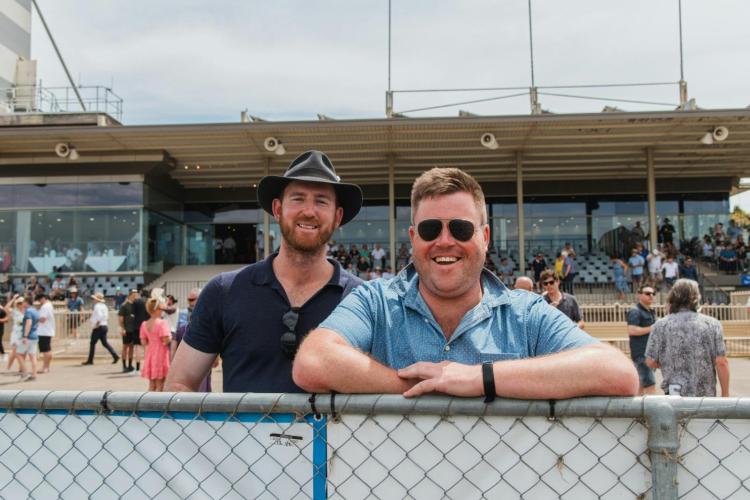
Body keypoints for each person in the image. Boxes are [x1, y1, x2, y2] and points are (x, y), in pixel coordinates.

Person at [293, 167, 637, 399]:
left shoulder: (524, 311)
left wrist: (479, 379)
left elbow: (617, 372)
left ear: (485, 237)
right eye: (430, 230)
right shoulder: (375, 300)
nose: (445, 241)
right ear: (413, 239)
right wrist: (424, 386)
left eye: (460, 228)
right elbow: (313, 361)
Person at [166, 150, 364, 393]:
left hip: (330, 432)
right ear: (278, 209)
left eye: (321, 201)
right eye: (298, 199)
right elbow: (179, 383)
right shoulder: (224, 291)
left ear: (337, 216)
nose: (309, 211)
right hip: (243, 432)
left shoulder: (361, 299)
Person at [646, 279, 730, 397]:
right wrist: (725, 394)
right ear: (697, 298)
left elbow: (650, 362)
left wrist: (669, 363)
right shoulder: (712, 324)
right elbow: (721, 362)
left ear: (672, 297)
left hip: (675, 394)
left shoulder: (660, 325)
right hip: (705, 395)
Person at [627, 285, 657, 395]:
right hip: (641, 353)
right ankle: (652, 409)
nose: (651, 296)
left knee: (641, 383)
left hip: (649, 353)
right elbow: (632, 330)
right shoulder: (635, 311)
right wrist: (653, 328)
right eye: (648, 293)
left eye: (653, 294)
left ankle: (638, 410)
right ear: (639, 295)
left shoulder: (650, 311)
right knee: (650, 384)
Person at [140, 297, 172, 392]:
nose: (162, 311)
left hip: (150, 354)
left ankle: (149, 404)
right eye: (161, 309)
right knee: (160, 384)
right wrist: (170, 337)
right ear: (156, 310)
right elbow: (166, 340)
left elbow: (143, 342)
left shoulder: (144, 324)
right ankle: (157, 405)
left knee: (152, 384)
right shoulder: (162, 323)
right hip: (160, 354)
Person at [82, 293, 119, 365]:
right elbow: (105, 316)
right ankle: (115, 355)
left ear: (96, 299)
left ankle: (90, 360)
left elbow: (99, 316)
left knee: (92, 343)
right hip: (104, 325)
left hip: (99, 326)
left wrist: (97, 323)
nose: (93, 300)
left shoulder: (97, 306)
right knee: (105, 343)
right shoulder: (104, 306)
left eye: (94, 299)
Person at [16, 296, 39, 381]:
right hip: (34, 336)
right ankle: (34, 374)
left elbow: (28, 323)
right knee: (33, 356)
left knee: (18, 354)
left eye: (23, 302)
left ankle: (25, 373)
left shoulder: (28, 311)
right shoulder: (35, 310)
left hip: (28, 336)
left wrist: (25, 336)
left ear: (26, 302)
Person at [118, 289, 139, 373]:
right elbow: (120, 319)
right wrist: (122, 328)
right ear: (130, 295)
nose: (135, 296)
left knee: (131, 348)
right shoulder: (124, 306)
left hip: (133, 330)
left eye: (136, 295)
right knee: (125, 348)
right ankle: (124, 366)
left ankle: (130, 365)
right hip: (126, 330)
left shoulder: (135, 305)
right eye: (134, 295)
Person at [35, 293, 55, 373]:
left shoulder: (45, 307)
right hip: (47, 330)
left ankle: (45, 367)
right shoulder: (49, 305)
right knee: (48, 350)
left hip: (44, 331)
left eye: (40, 299)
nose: (39, 301)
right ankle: (46, 367)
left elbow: (42, 319)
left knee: (46, 351)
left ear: (43, 298)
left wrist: (34, 318)